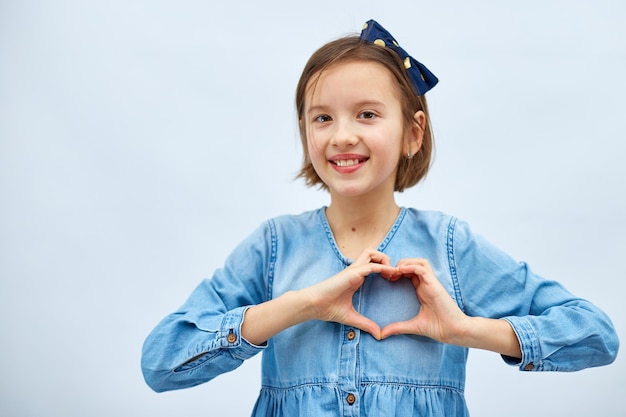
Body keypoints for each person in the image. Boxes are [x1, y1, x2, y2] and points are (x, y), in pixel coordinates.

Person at [141, 19, 619, 416]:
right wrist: (302, 304)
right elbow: (161, 362)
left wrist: (464, 330)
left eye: (367, 114)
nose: (341, 135)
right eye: (322, 118)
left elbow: (596, 335)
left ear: (413, 132)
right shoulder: (273, 247)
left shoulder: (450, 245)